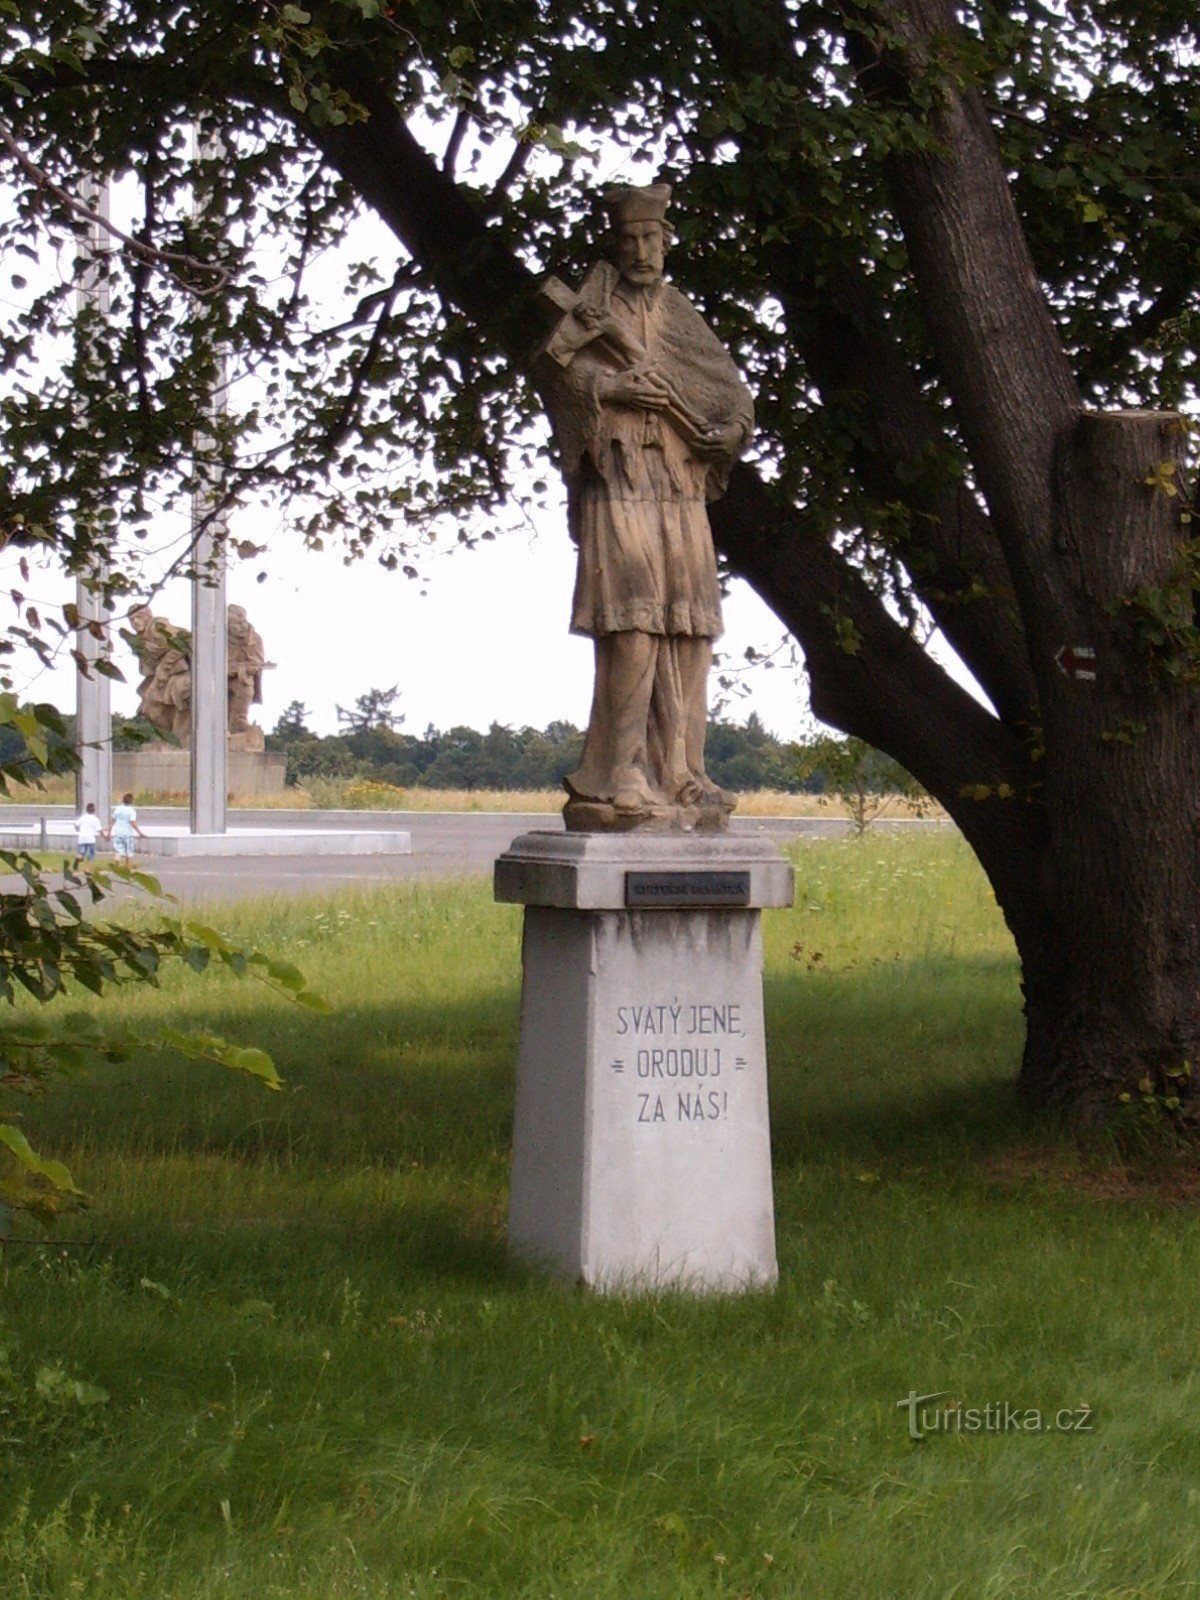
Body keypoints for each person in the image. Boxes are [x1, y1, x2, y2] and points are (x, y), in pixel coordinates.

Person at [537, 182, 754, 829]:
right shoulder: (592, 305)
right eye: (629, 239)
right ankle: (623, 769)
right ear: (616, 242)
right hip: (622, 478)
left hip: (680, 487)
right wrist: (615, 386)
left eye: (650, 239)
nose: (640, 250)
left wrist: (730, 433)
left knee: (689, 625)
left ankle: (684, 771)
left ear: (665, 242)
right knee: (633, 616)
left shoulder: (679, 313)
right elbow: (557, 374)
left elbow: (731, 394)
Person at [104, 792, 146, 864]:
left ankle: (116, 865)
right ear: (131, 801)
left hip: (118, 833)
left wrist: (109, 833)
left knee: (118, 851)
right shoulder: (132, 811)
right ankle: (127, 869)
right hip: (128, 834)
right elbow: (133, 822)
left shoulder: (118, 809)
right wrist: (140, 833)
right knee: (129, 853)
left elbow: (112, 822)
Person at [73, 801, 101, 871]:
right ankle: (87, 869)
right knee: (91, 854)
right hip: (91, 839)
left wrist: (77, 830)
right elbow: (99, 830)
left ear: (86, 810)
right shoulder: (95, 819)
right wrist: (105, 836)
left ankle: (78, 858)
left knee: (81, 853)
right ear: (94, 810)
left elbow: (76, 825)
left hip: (82, 838)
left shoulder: (83, 817)